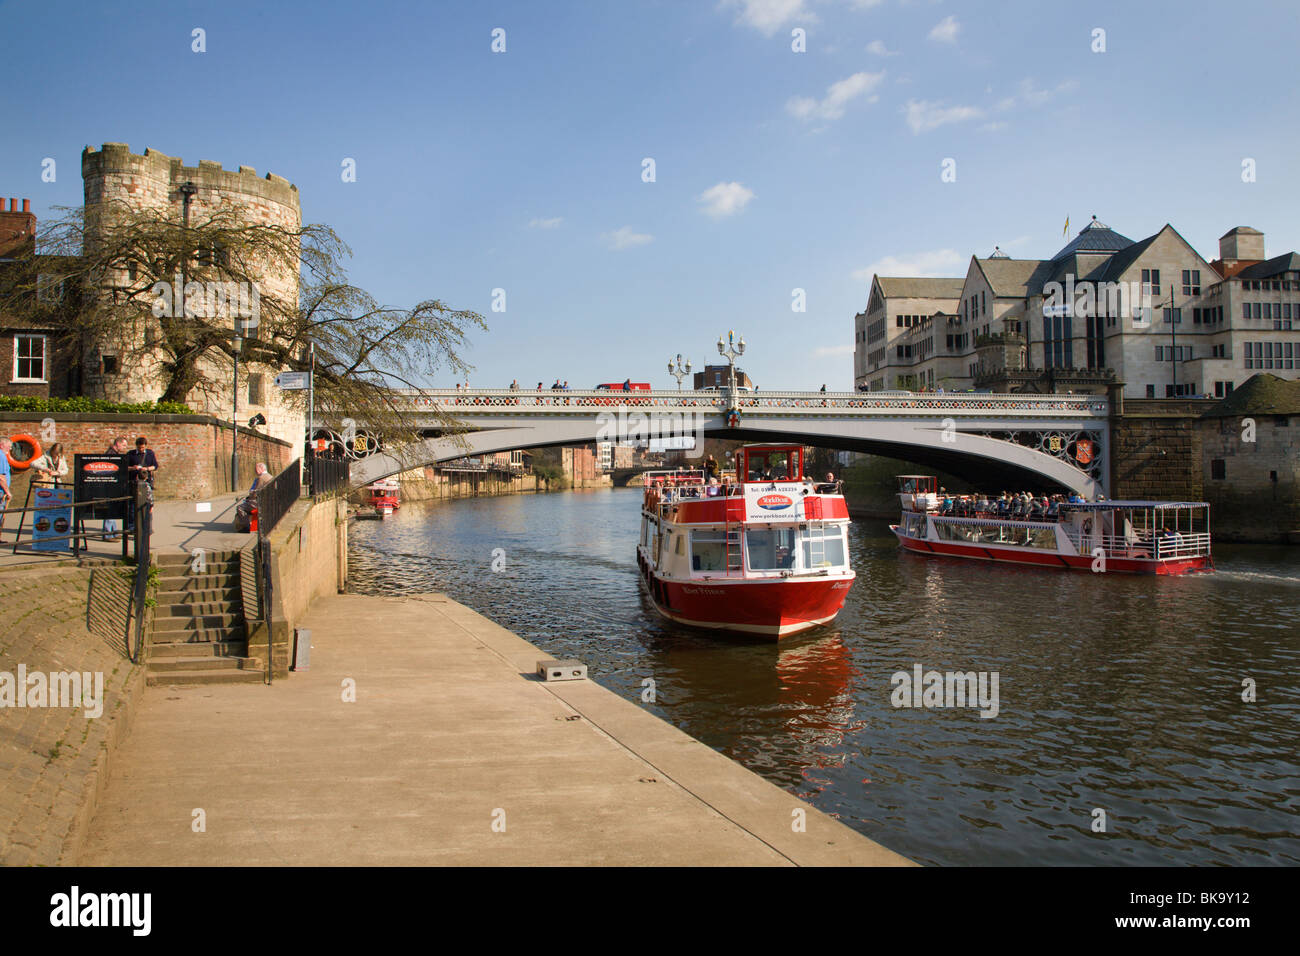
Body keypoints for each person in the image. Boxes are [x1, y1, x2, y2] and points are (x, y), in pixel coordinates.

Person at [102, 436, 129, 540]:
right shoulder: (111, 455)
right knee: (110, 509)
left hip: (112, 485)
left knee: (113, 509)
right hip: (110, 485)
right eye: (124, 445)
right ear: (118, 443)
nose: (125, 447)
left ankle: (113, 532)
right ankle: (108, 534)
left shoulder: (113, 454)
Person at [234, 462, 273, 532]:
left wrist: (248, 499)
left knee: (240, 508)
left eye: (256, 469)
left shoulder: (261, 478)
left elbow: (255, 493)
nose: (255, 471)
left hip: (261, 502)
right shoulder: (270, 476)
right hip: (268, 501)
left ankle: (245, 527)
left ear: (260, 469)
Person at [0, 437, 12, 524]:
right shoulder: (1, 456)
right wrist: (8, 492)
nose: (10, 449)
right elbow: (1, 477)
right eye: (9, 446)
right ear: (2, 445)